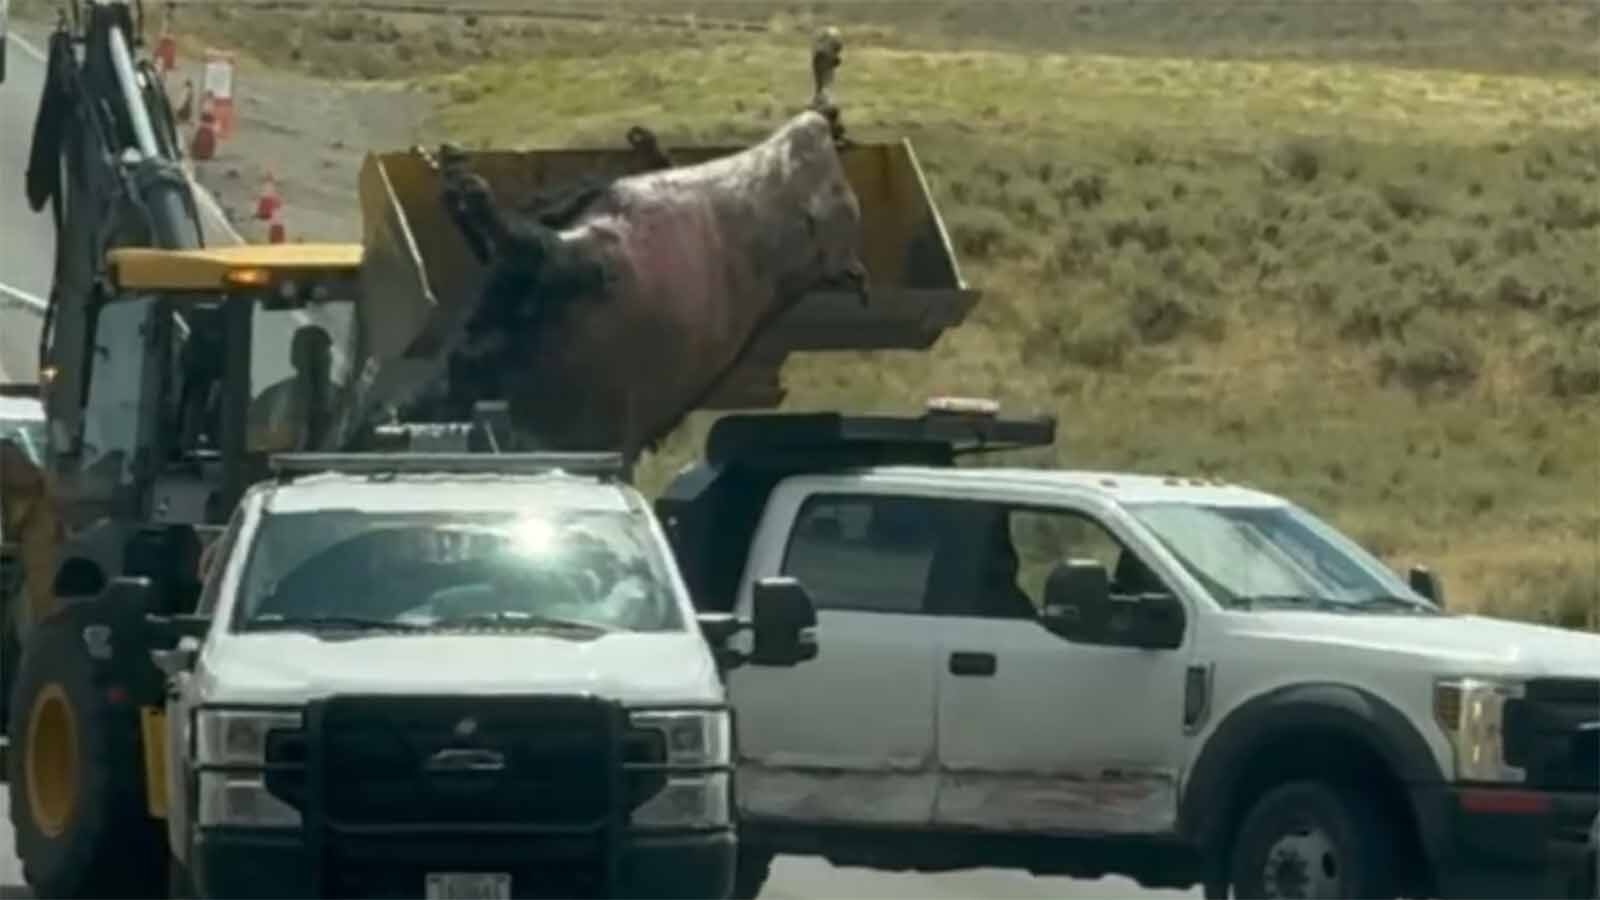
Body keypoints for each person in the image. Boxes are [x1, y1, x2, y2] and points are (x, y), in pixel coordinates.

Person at [247, 325, 334, 452]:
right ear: (294, 358)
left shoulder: (343, 400)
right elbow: (250, 443)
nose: (313, 362)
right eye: (308, 353)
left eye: (319, 354)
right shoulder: (271, 399)